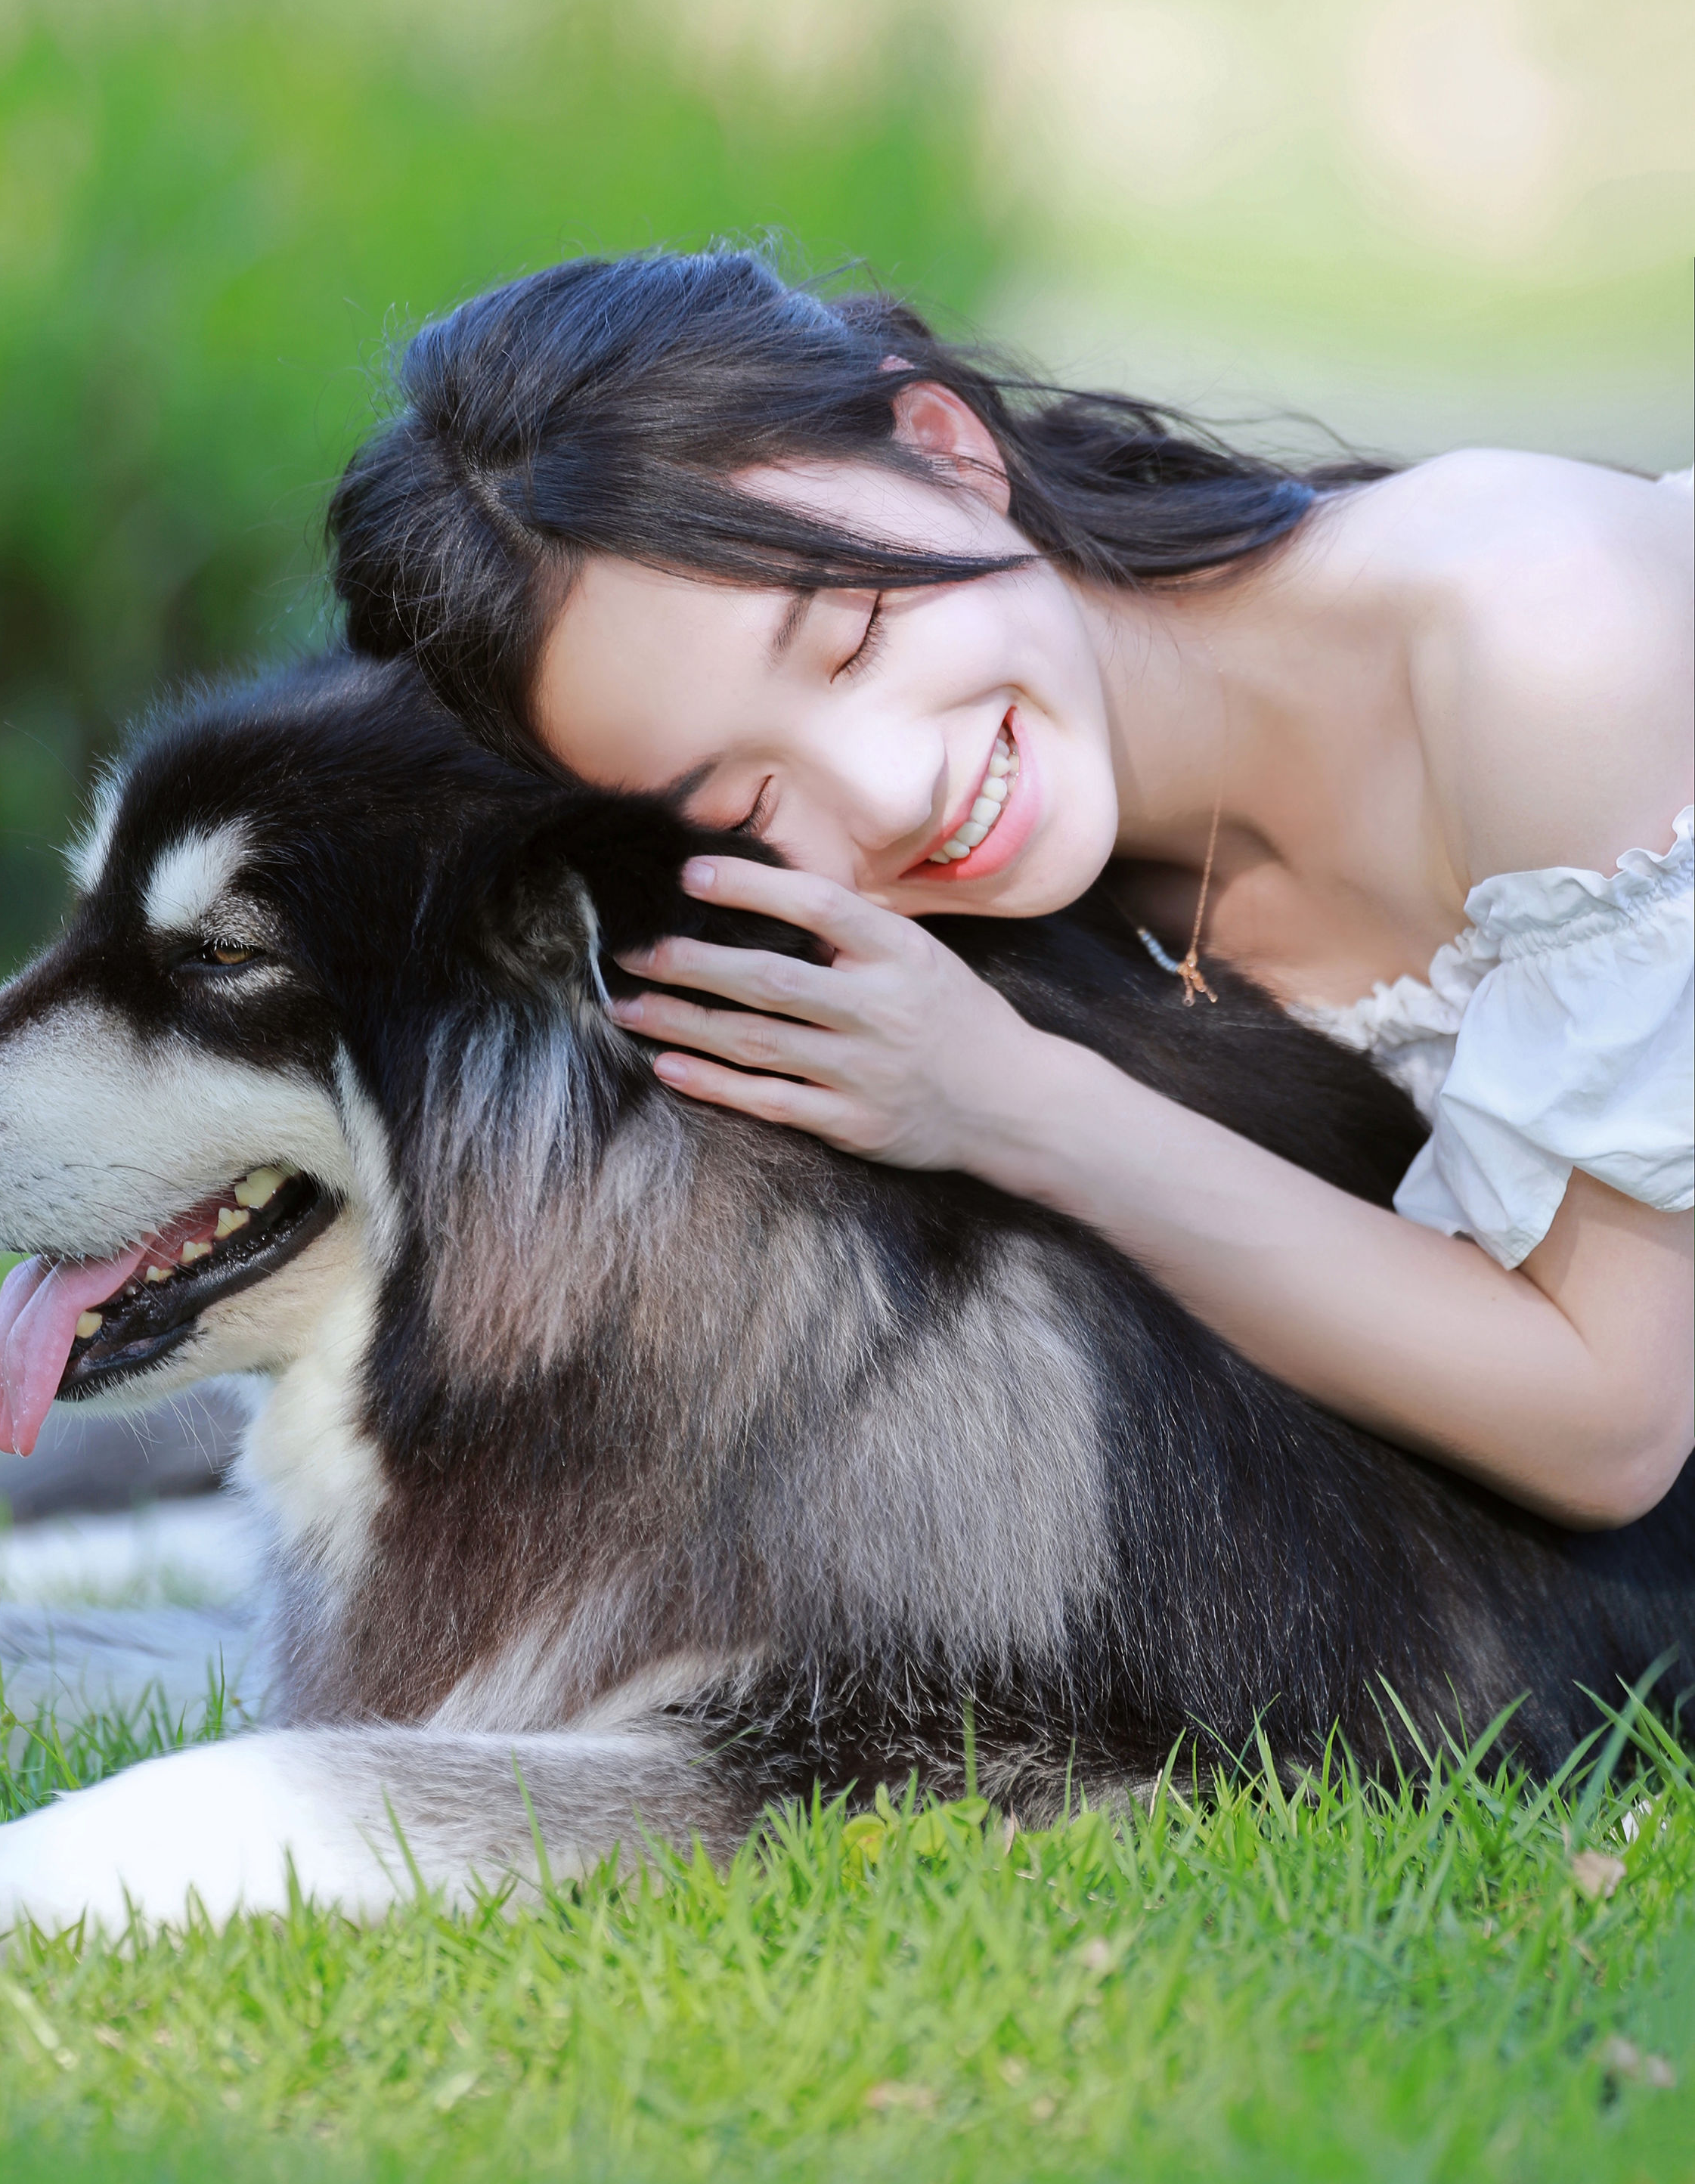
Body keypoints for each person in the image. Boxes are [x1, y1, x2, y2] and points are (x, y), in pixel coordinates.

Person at [329, 248, 1692, 1531]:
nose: (889, 790)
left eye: (853, 633)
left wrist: (1015, 1103)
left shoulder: (1542, 636)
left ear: (947, 449)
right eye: (748, 804)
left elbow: (1617, 1426)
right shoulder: (1062, 921)